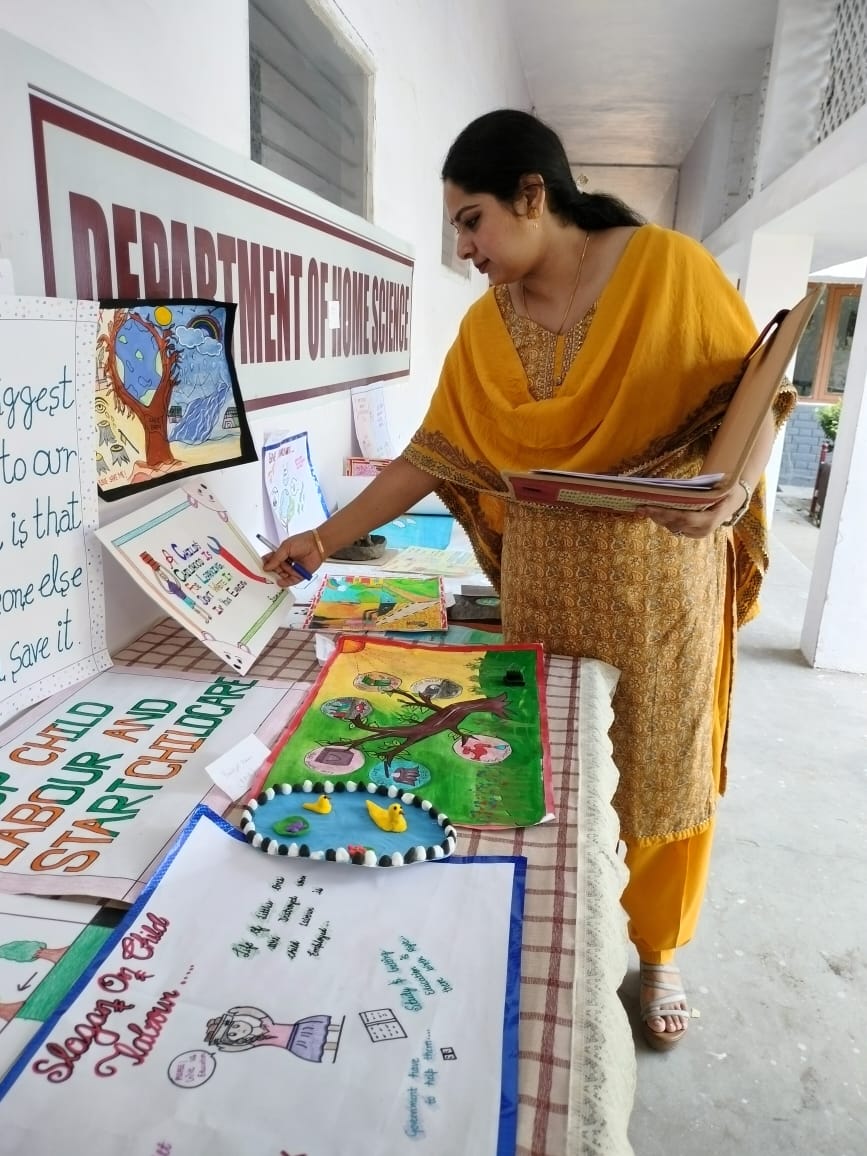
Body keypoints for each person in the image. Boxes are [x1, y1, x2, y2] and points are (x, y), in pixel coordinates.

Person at [264, 109, 796, 1051]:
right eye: (456, 229)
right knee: (537, 770)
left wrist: (731, 497)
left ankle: (658, 951)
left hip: (658, 579)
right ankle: (556, 934)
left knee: (659, 767)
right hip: (544, 587)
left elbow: (752, 404)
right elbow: (431, 456)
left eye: (471, 221)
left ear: (532, 195)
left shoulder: (669, 271)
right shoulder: (486, 326)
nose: (463, 247)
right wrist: (320, 537)